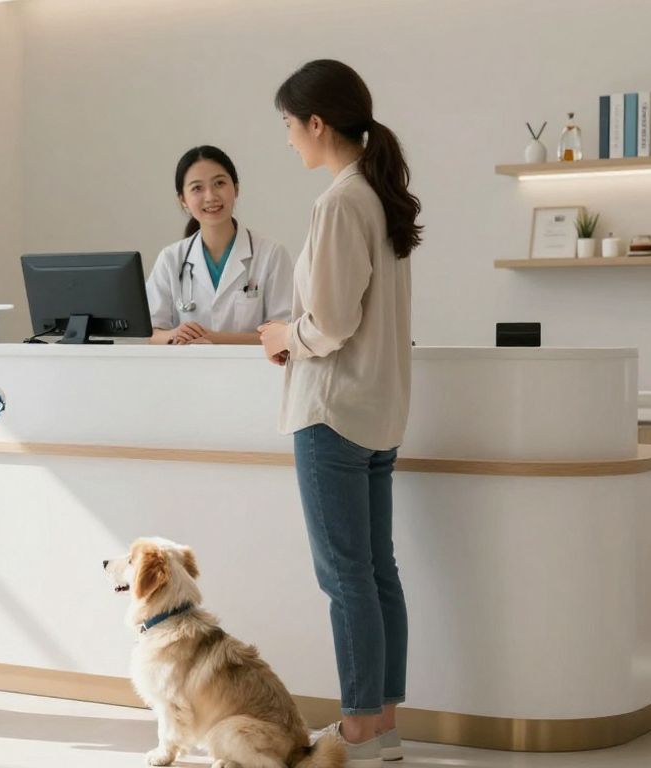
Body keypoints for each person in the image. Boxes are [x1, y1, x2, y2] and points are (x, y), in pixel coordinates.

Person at [259, 60, 422, 768]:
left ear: (317, 123)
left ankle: (358, 731)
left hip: (331, 413)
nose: (289, 140)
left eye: (290, 127)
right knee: (376, 571)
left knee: (346, 578)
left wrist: (280, 337)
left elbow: (326, 322)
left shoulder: (338, 203)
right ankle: (381, 722)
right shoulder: (380, 197)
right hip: (379, 411)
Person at [146, 145, 293, 344]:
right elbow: (151, 332)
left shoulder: (271, 255)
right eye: (197, 188)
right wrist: (175, 335)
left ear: (236, 188)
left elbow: (284, 334)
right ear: (183, 200)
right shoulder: (171, 258)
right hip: (186, 373)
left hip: (253, 373)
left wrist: (214, 339)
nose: (210, 196)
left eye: (219, 183)